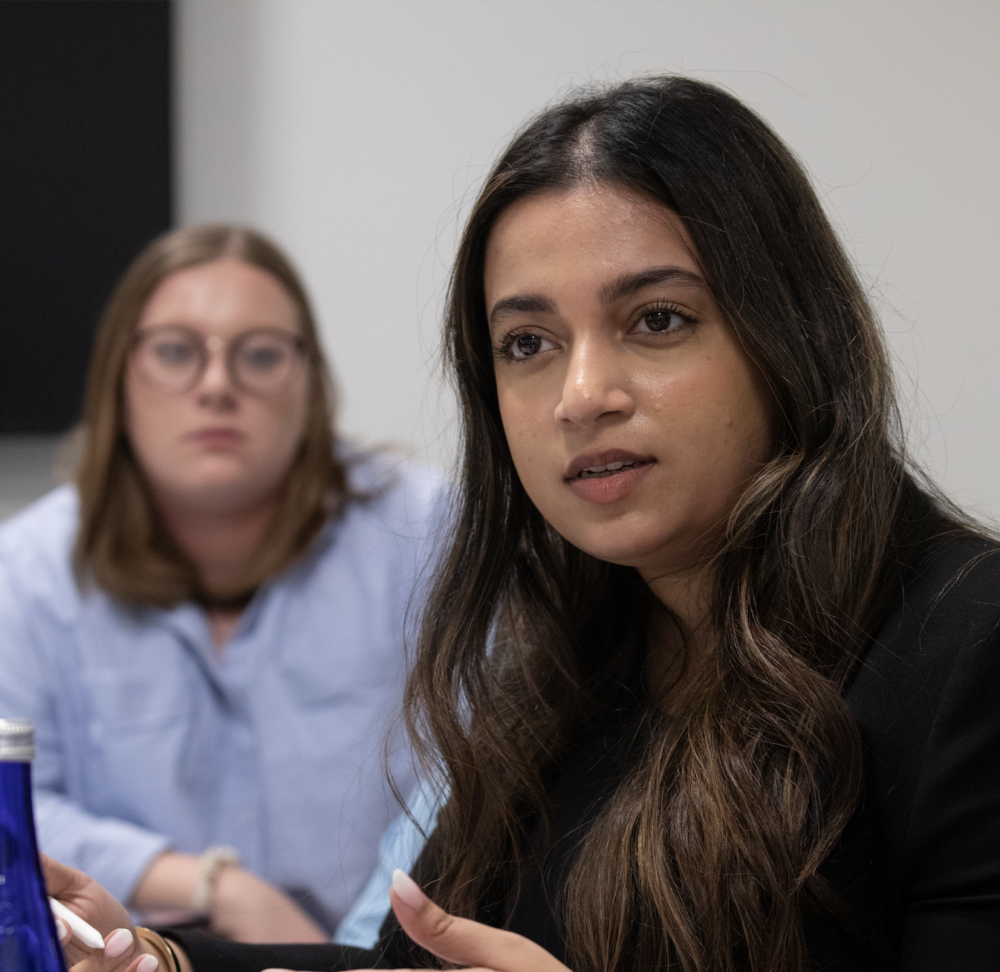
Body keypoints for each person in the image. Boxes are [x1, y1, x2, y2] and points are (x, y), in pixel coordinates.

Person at [45, 76, 1000, 972]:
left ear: (790, 331)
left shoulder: (969, 644)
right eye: (528, 344)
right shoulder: (570, 654)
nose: (582, 396)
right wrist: (158, 956)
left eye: (658, 320)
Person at [0, 225, 447, 943]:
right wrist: (211, 885)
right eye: (176, 352)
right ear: (120, 374)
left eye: (260, 354)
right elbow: (11, 807)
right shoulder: (25, 575)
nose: (217, 385)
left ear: (311, 383)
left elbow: (474, 776)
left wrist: (355, 955)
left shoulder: (432, 537)